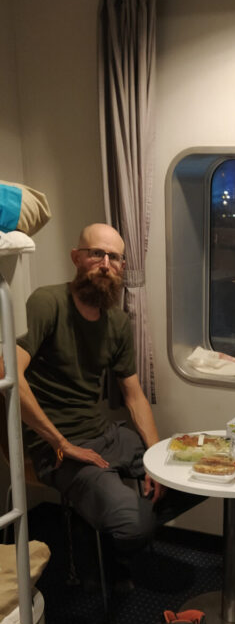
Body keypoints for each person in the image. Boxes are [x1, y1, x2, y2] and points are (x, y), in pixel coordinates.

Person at [14, 222, 204, 581]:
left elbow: (133, 395)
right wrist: (61, 444)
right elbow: (9, 375)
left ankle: (110, 519)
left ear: (122, 266)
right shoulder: (48, 302)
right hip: (57, 448)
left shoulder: (117, 322)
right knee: (133, 527)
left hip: (106, 434)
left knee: (194, 472)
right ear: (76, 258)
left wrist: (155, 461)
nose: (105, 264)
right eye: (96, 254)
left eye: (114, 257)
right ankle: (121, 524)